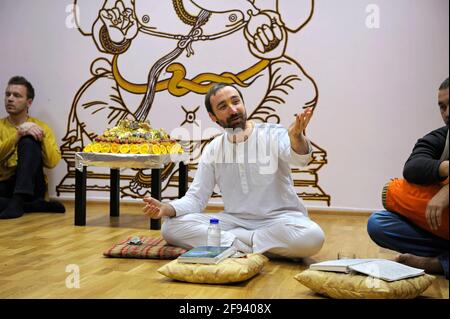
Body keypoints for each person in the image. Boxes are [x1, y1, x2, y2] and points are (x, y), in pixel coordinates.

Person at [142, 83, 325, 258]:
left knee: (313, 237)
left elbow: (300, 159)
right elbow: (196, 198)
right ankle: (262, 247)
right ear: (213, 116)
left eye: (236, 102)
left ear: (243, 104)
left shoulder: (272, 133)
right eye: (223, 106)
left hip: (280, 220)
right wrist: (167, 208)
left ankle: (236, 245)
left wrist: (296, 137)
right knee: (170, 228)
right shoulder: (214, 148)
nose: (233, 109)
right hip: (235, 221)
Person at [367, 77, 449, 279]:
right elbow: (413, 167)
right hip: (443, 230)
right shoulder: (440, 137)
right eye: (442, 107)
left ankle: (439, 263)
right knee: (378, 223)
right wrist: (446, 167)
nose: (447, 114)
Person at [0, 76, 65, 219]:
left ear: (29, 102)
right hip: (5, 184)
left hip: (33, 186)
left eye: (16, 95)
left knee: (29, 140)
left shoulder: (41, 127)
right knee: (24, 136)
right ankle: (32, 206)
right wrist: (18, 134)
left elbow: (52, 162)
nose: (10, 99)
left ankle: (18, 201)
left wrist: (40, 136)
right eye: (7, 94)